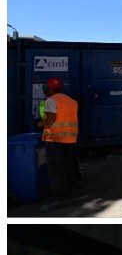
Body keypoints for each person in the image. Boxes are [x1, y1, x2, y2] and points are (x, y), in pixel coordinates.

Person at [37, 77, 79, 213]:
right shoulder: (71, 101)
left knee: (56, 170)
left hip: (55, 139)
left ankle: (59, 198)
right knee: (67, 166)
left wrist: (42, 124)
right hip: (70, 140)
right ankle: (69, 192)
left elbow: (50, 120)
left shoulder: (51, 100)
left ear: (49, 89)